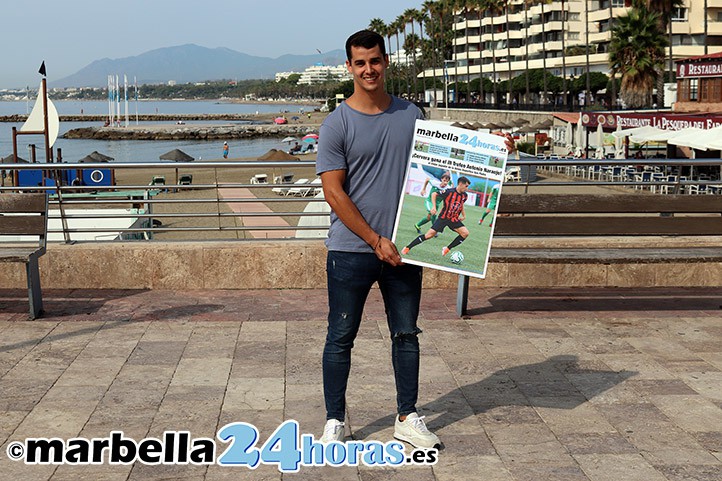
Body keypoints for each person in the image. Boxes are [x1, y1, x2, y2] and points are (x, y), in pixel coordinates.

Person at [316, 29, 440, 449]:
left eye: (375, 60)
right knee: (340, 335)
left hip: (405, 249)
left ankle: (407, 416)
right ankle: (335, 419)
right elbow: (334, 193)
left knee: (406, 334)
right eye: (360, 62)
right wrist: (374, 240)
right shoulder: (337, 123)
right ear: (349, 67)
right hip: (352, 250)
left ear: (386, 62)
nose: (368, 69)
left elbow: (435, 173)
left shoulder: (413, 115)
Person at [401, 177, 471, 257]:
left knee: (465, 233)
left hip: (453, 219)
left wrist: (464, 215)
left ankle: (447, 249)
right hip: (443, 218)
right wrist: (434, 207)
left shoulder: (465, 196)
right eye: (466, 186)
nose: (467, 188)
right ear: (460, 184)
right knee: (428, 235)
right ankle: (407, 247)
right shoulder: (449, 192)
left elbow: (461, 205)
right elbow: (434, 194)